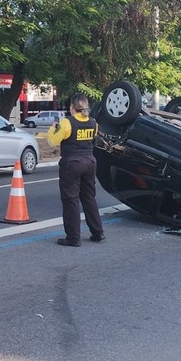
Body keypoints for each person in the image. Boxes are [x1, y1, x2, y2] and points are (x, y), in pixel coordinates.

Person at [47, 94, 105, 247]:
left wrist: (53, 128)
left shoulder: (67, 123)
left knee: (70, 200)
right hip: (90, 162)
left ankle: (73, 238)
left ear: (72, 108)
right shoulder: (93, 123)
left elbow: (52, 141)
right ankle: (98, 232)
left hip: (72, 163)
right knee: (89, 198)